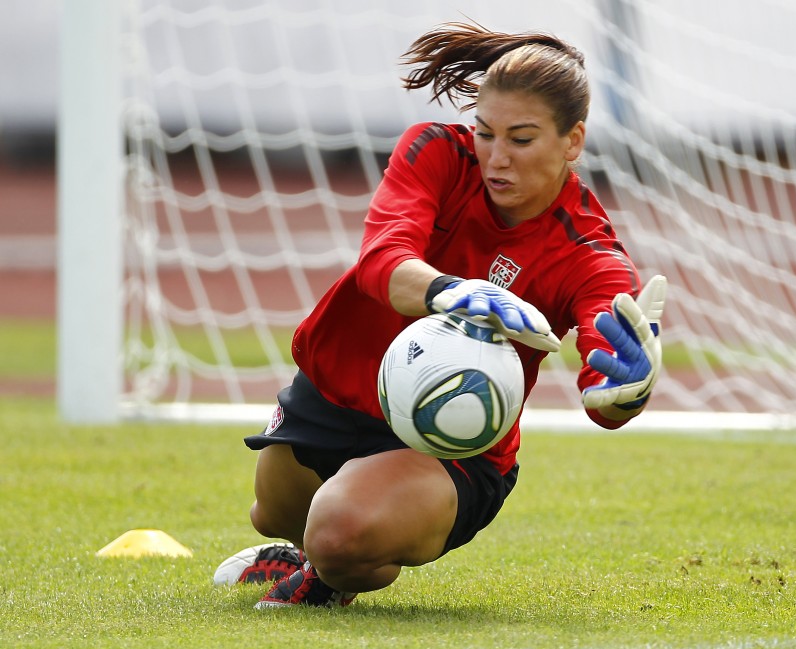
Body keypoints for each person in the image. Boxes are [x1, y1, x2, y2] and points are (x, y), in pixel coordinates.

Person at [214, 21, 667, 609]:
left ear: (572, 141)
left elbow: (606, 375)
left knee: (339, 535)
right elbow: (382, 261)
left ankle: (327, 570)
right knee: (270, 512)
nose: (496, 158)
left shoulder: (589, 251)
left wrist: (625, 388)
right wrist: (454, 293)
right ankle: (306, 546)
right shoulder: (437, 152)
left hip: (450, 444)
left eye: (522, 140)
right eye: (486, 132)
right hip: (339, 388)